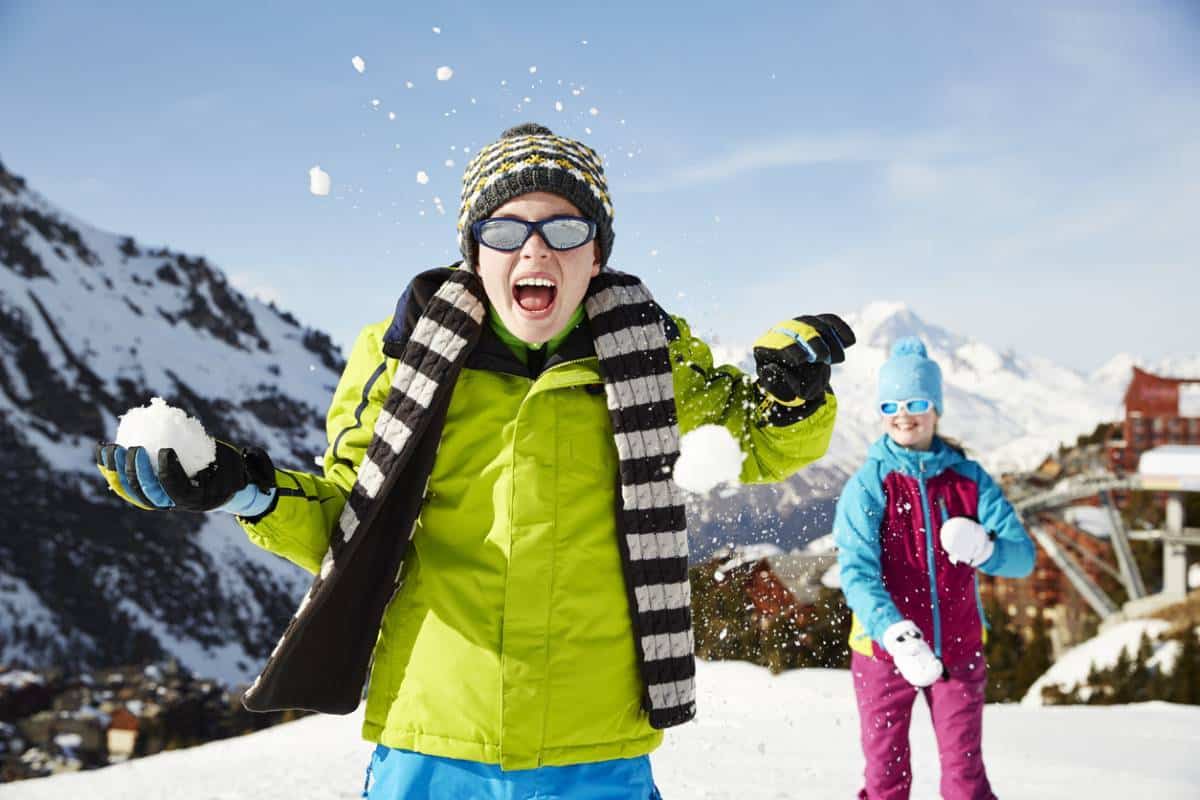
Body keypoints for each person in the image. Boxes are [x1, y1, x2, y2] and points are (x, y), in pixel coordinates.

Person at [97, 122, 853, 798]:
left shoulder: (651, 354)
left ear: (597, 253)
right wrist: (247, 492)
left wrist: (793, 397)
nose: (534, 249)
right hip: (435, 739)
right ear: (473, 251)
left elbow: (754, 446)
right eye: (505, 230)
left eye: (564, 228)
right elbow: (346, 522)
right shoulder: (398, 358)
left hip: (597, 744)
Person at [833, 336, 1035, 800]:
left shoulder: (969, 481)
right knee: (887, 779)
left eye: (917, 402)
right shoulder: (869, 484)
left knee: (965, 781)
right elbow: (857, 573)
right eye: (892, 403)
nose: (904, 414)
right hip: (883, 653)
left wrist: (987, 549)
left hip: (957, 651)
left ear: (937, 408)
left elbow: (1022, 558)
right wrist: (895, 633)